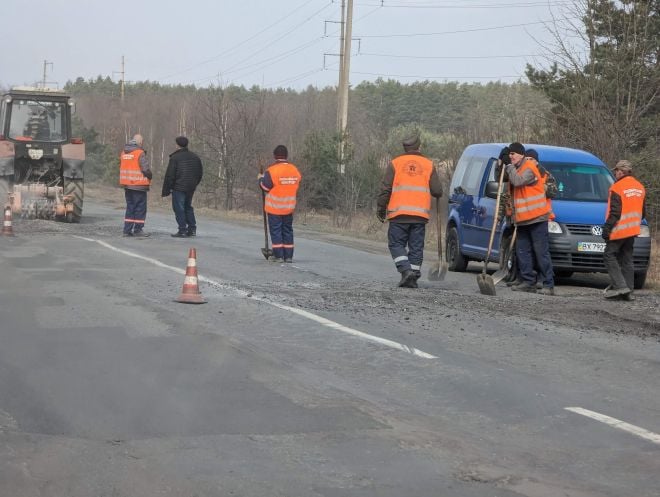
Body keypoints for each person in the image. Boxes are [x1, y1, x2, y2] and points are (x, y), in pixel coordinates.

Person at [377, 135, 443, 288]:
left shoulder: (395, 164)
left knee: (396, 244)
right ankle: (413, 276)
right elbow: (437, 191)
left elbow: (385, 189)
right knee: (416, 247)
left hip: (398, 215)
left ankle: (406, 272)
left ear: (404, 148)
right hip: (419, 216)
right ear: (419, 147)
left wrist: (381, 208)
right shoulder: (428, 164)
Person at [505, 142, 555, 295]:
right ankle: (528, 281)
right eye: (509, 154)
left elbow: (518, 181)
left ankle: (548, 284)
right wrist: (502, 164)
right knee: (523, 251)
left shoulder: (529, 168)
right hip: (523, 219)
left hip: (537, 217)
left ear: (521, 154)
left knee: (541, 252)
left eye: (513, 154)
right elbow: (508, 178)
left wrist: (509, 167)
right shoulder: (518, 168)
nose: (511, 156)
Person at [602, 160, 646, 301]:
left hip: (619, 229)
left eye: (616, 171)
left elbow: (615, 212)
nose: (615, 173)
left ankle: (620, 286)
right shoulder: (640, 187)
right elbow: (643, 213)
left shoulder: (617, 187)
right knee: (627, 259)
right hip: (633, 229)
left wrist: (606, 229)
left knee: (609, 255)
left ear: (621, 171)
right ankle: (629, 291)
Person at [258, 145, 302, 263]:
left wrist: (260, 179)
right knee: (287, 230)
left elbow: (265, 187)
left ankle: (278, 255)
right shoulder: (294, 170)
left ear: (275, 156)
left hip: (275, 208)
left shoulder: (272, 170)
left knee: (276, 231)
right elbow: (297, 182)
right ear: (286, 155)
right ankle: (288, 256)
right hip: (289, 207)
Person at [162, 136, 204, 237]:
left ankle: (182, 230)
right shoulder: (195, 157)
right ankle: (192, 229)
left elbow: (170, 175)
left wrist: (168, 188)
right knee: (188, 207)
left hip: (179, 187)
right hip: (191, 187)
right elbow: (200, 173)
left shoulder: (175, 158)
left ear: (177, 145)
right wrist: (194, 183)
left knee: (179, 208)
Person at [119, 134, 152, 237]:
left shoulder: (123, 152)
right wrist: (150, 176)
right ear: (140, 142)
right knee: (140, 208)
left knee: (130, 207)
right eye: (142, 142)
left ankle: (127, 230)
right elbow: (145, 169)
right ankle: (138, 229)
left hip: (127, 185)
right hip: (139, 185)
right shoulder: (139, 153)